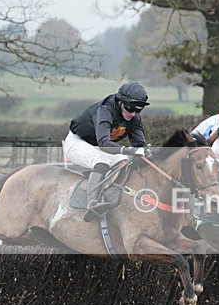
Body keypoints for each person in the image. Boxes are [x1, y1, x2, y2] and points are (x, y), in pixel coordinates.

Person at [63, 81, 152, 221]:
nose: (133, 114)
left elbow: (139, 144)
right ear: (121, 102)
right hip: (77, 143)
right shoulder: (105, 110)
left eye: (138, 110)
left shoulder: (134, 118)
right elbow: (104, 143)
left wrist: (145, 151)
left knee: (125, 162)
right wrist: (126, 150)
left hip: (97, 146)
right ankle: (92, 203)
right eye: (130, 108)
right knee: (102, 160)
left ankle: (113, 197)